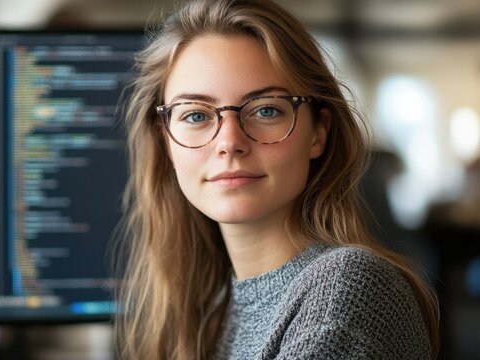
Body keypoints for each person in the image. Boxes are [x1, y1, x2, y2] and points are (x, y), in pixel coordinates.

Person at [114, 0, 440, 359]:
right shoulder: (213, 310)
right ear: (165, 141)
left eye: (266, 110)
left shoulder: (345, 291)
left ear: (318, 132)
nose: (230, 143)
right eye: (195, 115)